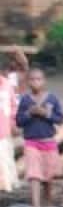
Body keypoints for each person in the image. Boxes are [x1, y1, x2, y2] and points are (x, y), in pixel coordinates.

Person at [16, 68, 63, 207]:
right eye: (32, 79)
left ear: (44, 81)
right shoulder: (25, 100)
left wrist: (46, 114)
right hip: (31, 142)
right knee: (34, 174)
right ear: (28, 82)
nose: (35, 82)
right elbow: (19, 122)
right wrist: (29, 113)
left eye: (38, 79)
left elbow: (60, 119)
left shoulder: (52, 98)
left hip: (48, 142)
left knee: (48, 177)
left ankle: (47, 204)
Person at [0, 51, 24, 194]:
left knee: (5, 156)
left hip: (4, 128)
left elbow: (13, 106)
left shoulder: (6, 85)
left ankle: (7, 186)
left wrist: (14, 123)